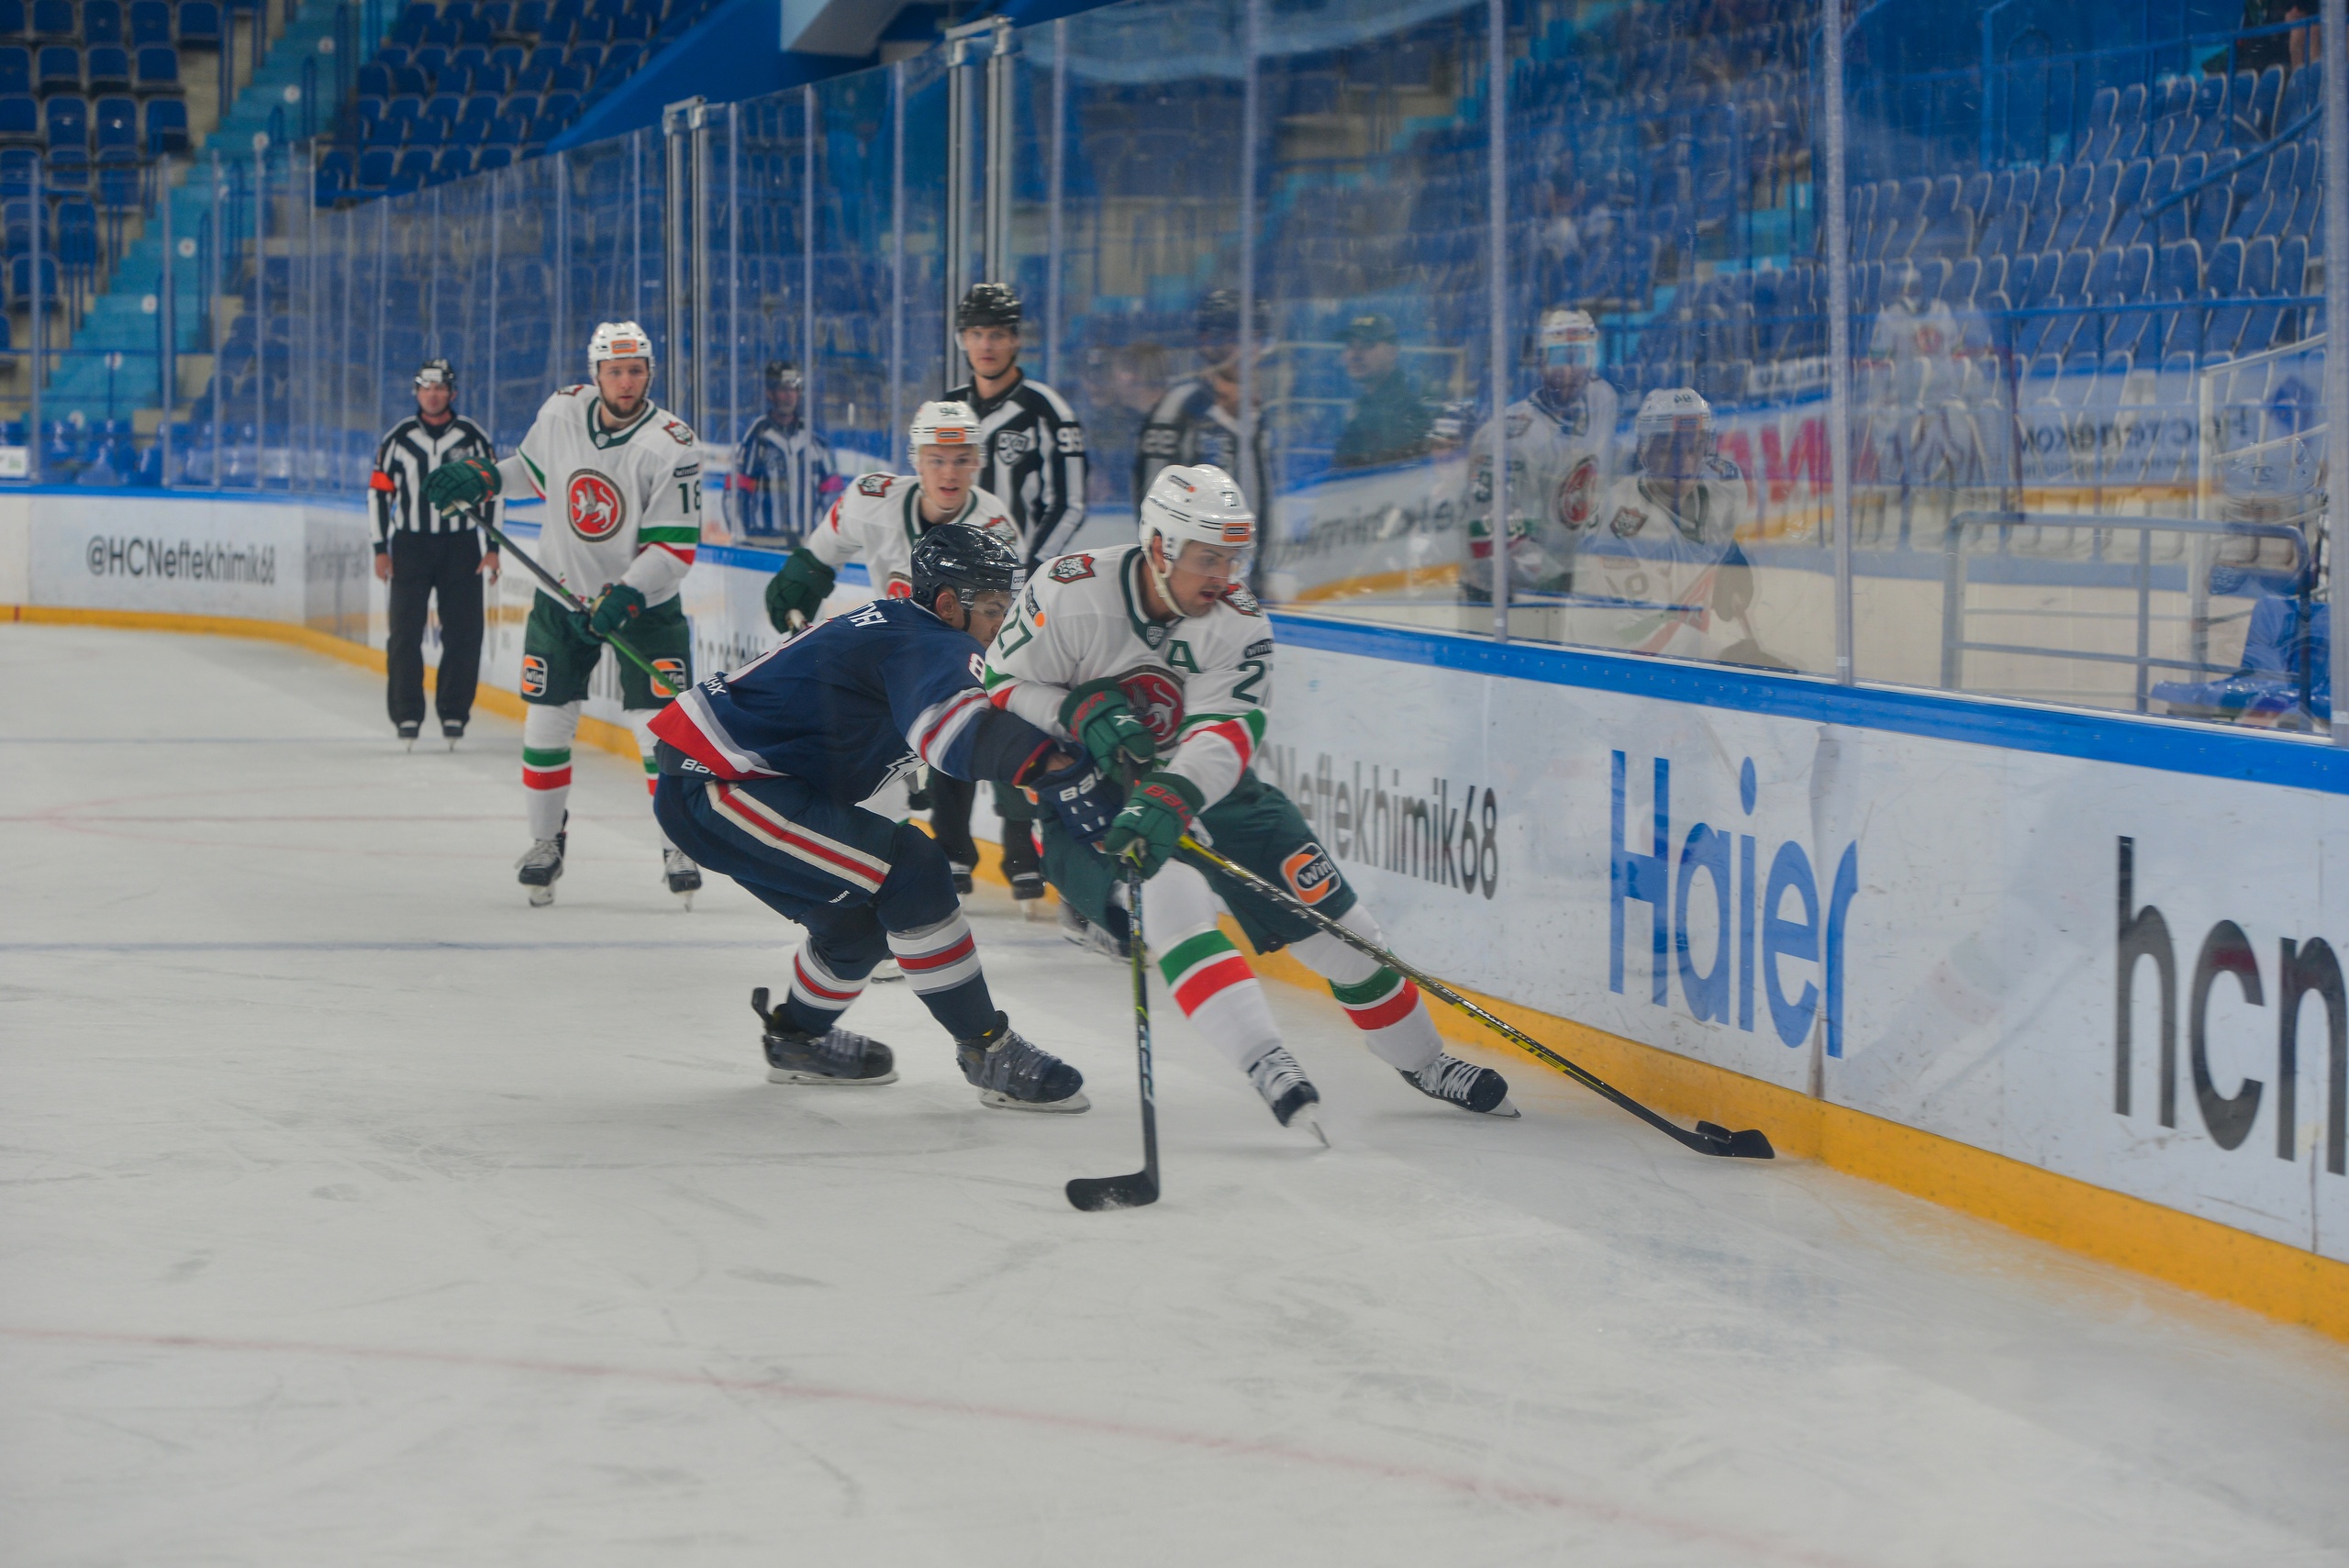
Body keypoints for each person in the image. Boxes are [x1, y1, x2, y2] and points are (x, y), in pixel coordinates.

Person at [982, 463, 1516, 1133]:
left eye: (1232, 559)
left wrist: (1174, 794)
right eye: (1208, 558)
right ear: (1160, 548)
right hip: (1092, 792)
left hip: (1209, 788)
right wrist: (1074, 711)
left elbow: (1225, 734)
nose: (1224, 576)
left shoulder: (1238, 622)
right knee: (1174, 905)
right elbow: (1000, 682)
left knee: (1348, 937)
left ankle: (1424, 1061)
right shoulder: (1069, 591)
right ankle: (1266, 1059)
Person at [651, 525, 1113, 1111]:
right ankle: (987, 1049)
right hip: (723, 786)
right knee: (912, 869)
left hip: (720, 781)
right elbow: (956, 737)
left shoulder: (906, 626)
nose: (1003, 624)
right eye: (995, 609)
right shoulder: (932, 642)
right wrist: (1058, 768)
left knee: (855, 926)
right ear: (948, 604)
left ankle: (796, 1040)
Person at [422, 320, 707, 907]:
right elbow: (531, 472)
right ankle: (545, 842)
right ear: (595, 374)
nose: (626, 382)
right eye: (615, 371)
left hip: (643, 607)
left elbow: (674, 548)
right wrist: (484, 478)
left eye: (636, 371)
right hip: (562, 595)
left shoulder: (673, 445)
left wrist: (625, 594)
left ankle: (676, 846)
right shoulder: (561, 412)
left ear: (650, 373)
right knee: (546, 724)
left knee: (658, 733)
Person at [763, 399, 1020, 899]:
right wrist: (796, 589)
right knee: (869, 765)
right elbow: (819, 555)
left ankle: (979, 846)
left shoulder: (996, 529)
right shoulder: (870, 499)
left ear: (978, 462)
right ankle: (883, 875)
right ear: (915, 460)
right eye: (936, 459)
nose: (949, 472)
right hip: (892, 651)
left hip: (956, 655)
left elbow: (1004, 620)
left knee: (958, 743)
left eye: (961, 459)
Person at [945, 283, 1090, 915]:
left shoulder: (1047, 411)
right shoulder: (947, 410)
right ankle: (952, 849)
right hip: (956, 595)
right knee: (950, 703)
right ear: (962, 338)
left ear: (1017, 339)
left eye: (998, 333)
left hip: (1022, 597)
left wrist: (1024, 574)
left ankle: (1021, 852)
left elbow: (1070, 503)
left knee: (1015, 709)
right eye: (977, 333)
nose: (987, 344)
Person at [1577, 387, 1782, 667]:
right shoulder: (1621, 527)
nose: (1683, 463)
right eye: (1667, 449)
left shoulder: (1723, 489)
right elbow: (1641, 638)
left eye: (1693, 449)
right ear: (1644, 451)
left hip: (1683, 667)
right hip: (1607, 670)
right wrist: (1724, 658)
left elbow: (1716, 541)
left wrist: (1730, 560)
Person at [371, 358, 500, 747]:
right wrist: (380, 547)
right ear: (416, 391)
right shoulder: (398, 439)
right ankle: (407, 713)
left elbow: (493, 492)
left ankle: (454, 711)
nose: (433, 394)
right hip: (409, 546)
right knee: (404, 634)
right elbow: (379, 494)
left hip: (461, 547)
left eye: (440, 387)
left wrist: (493, 547)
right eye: (426, 387)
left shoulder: (472, 438)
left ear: (452, 393)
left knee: (464, 633)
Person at [1460, 307, 1619, 604]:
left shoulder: (1603, 400)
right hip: (1505, 597)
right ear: (1540, 362)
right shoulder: (1507, 438)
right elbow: (1490, 539)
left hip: (1571, 584)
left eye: (1580, 356)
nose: (1570, 372)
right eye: (1559, 359)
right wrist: (1567, 578)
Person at [1135, 289, 1275, 533]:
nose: (1249, 350)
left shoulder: (1257, 412)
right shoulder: (1179, 407)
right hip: (1194, 555)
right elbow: (1151, 500)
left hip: (1244, 554)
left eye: (1256, 339)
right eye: (1236, 339)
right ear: (1207, 342)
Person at [725, 361, 841, 546]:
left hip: (806, 541)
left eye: (793, 389)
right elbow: (736, 491)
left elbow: (832, 493)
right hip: (764, 541)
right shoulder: (757, 437)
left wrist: (826, 538)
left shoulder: (814, 439)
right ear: (770, 393)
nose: (789, 396)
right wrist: (739, 536)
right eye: (782, 389)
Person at [1331, 313, 1437, 471]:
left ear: (1392, 352)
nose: (1354, 355)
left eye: (1367, 345)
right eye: (1350, 346)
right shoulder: (1368, 406)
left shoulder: (1401, 414)